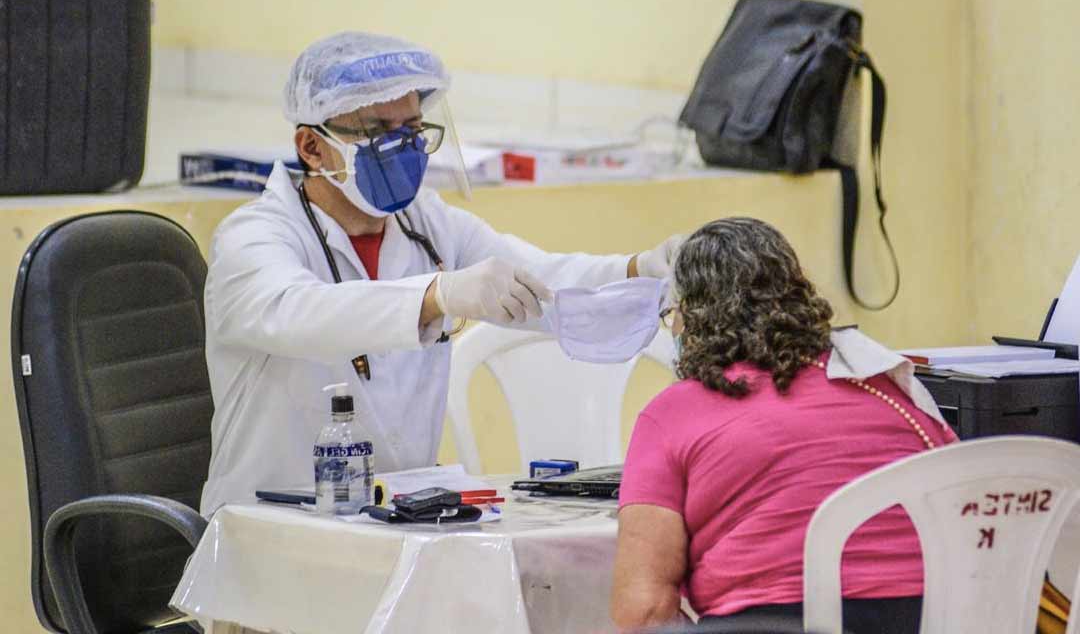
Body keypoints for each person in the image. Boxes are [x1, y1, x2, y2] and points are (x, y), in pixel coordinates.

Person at [199, 31, 684, 515]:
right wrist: (436, 295)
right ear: (311, 146)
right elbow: (294, 311)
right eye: (378, 132)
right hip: (268, 525)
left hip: (396, 516)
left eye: (412, 129)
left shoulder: (427, 223)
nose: (402, 147)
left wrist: (642, 271)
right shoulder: (253, 236)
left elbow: (540, 280)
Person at [610, 218, 957, 633]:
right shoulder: (890, 388)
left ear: (693, 316)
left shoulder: (672, 413)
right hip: (935, 619)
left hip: (769, 624)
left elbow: (644, 610)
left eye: (673, 316)